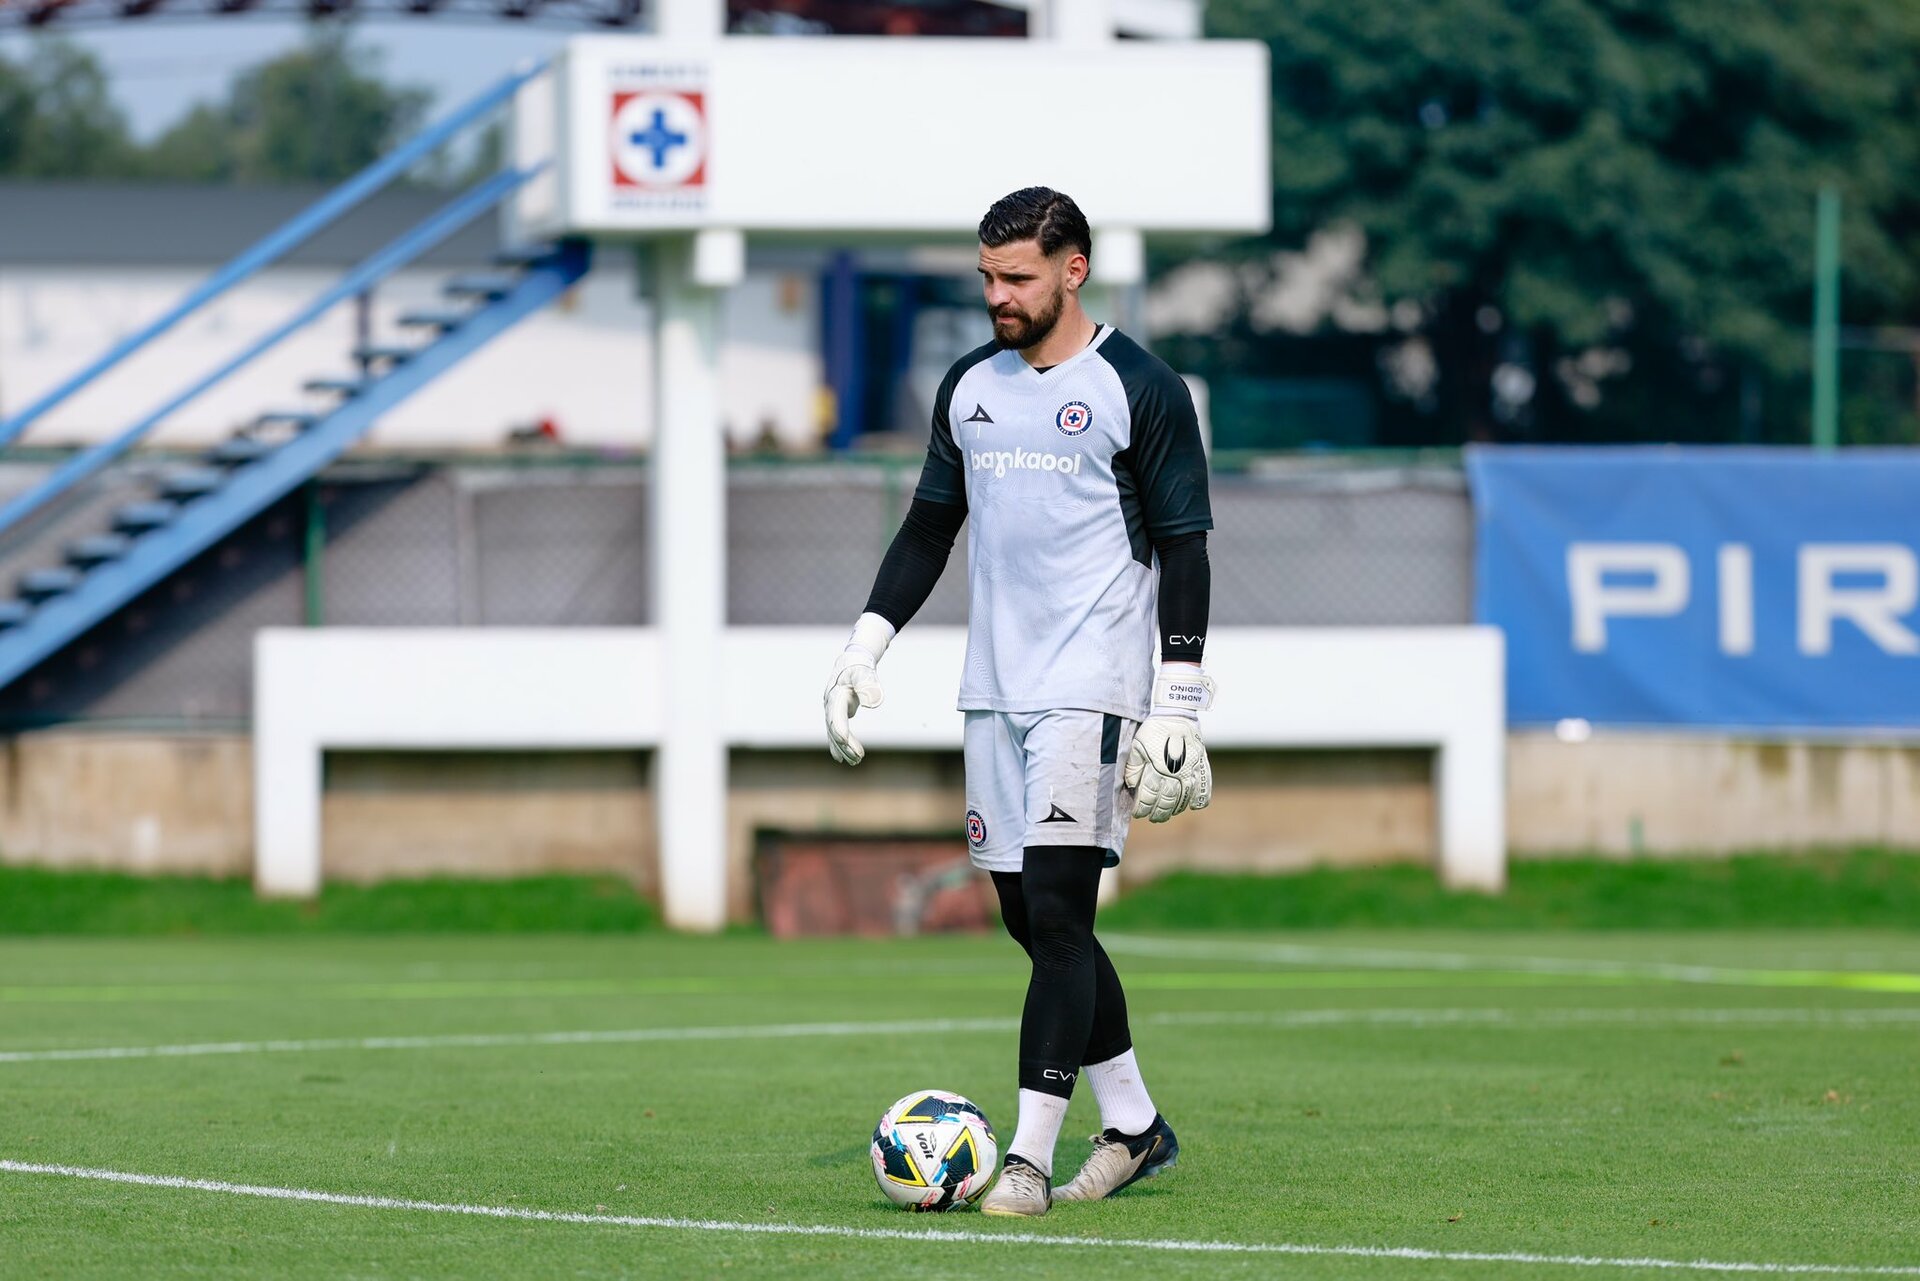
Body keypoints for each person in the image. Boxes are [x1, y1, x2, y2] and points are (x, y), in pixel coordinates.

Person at [823, 187, 1215, 1218]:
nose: (996, 294)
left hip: (1093, 688)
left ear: (1072, 270)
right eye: (987, 276)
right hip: (992, 688)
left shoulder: (1141, 385)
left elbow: (1185, 546)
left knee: (1056, 910)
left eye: (1017, 278)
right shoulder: (970, 386)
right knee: (1030, 920)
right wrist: (867, 645)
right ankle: (1133, 1125)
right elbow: (927, 528)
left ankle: (1031, 1160)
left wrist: (1179, 695)